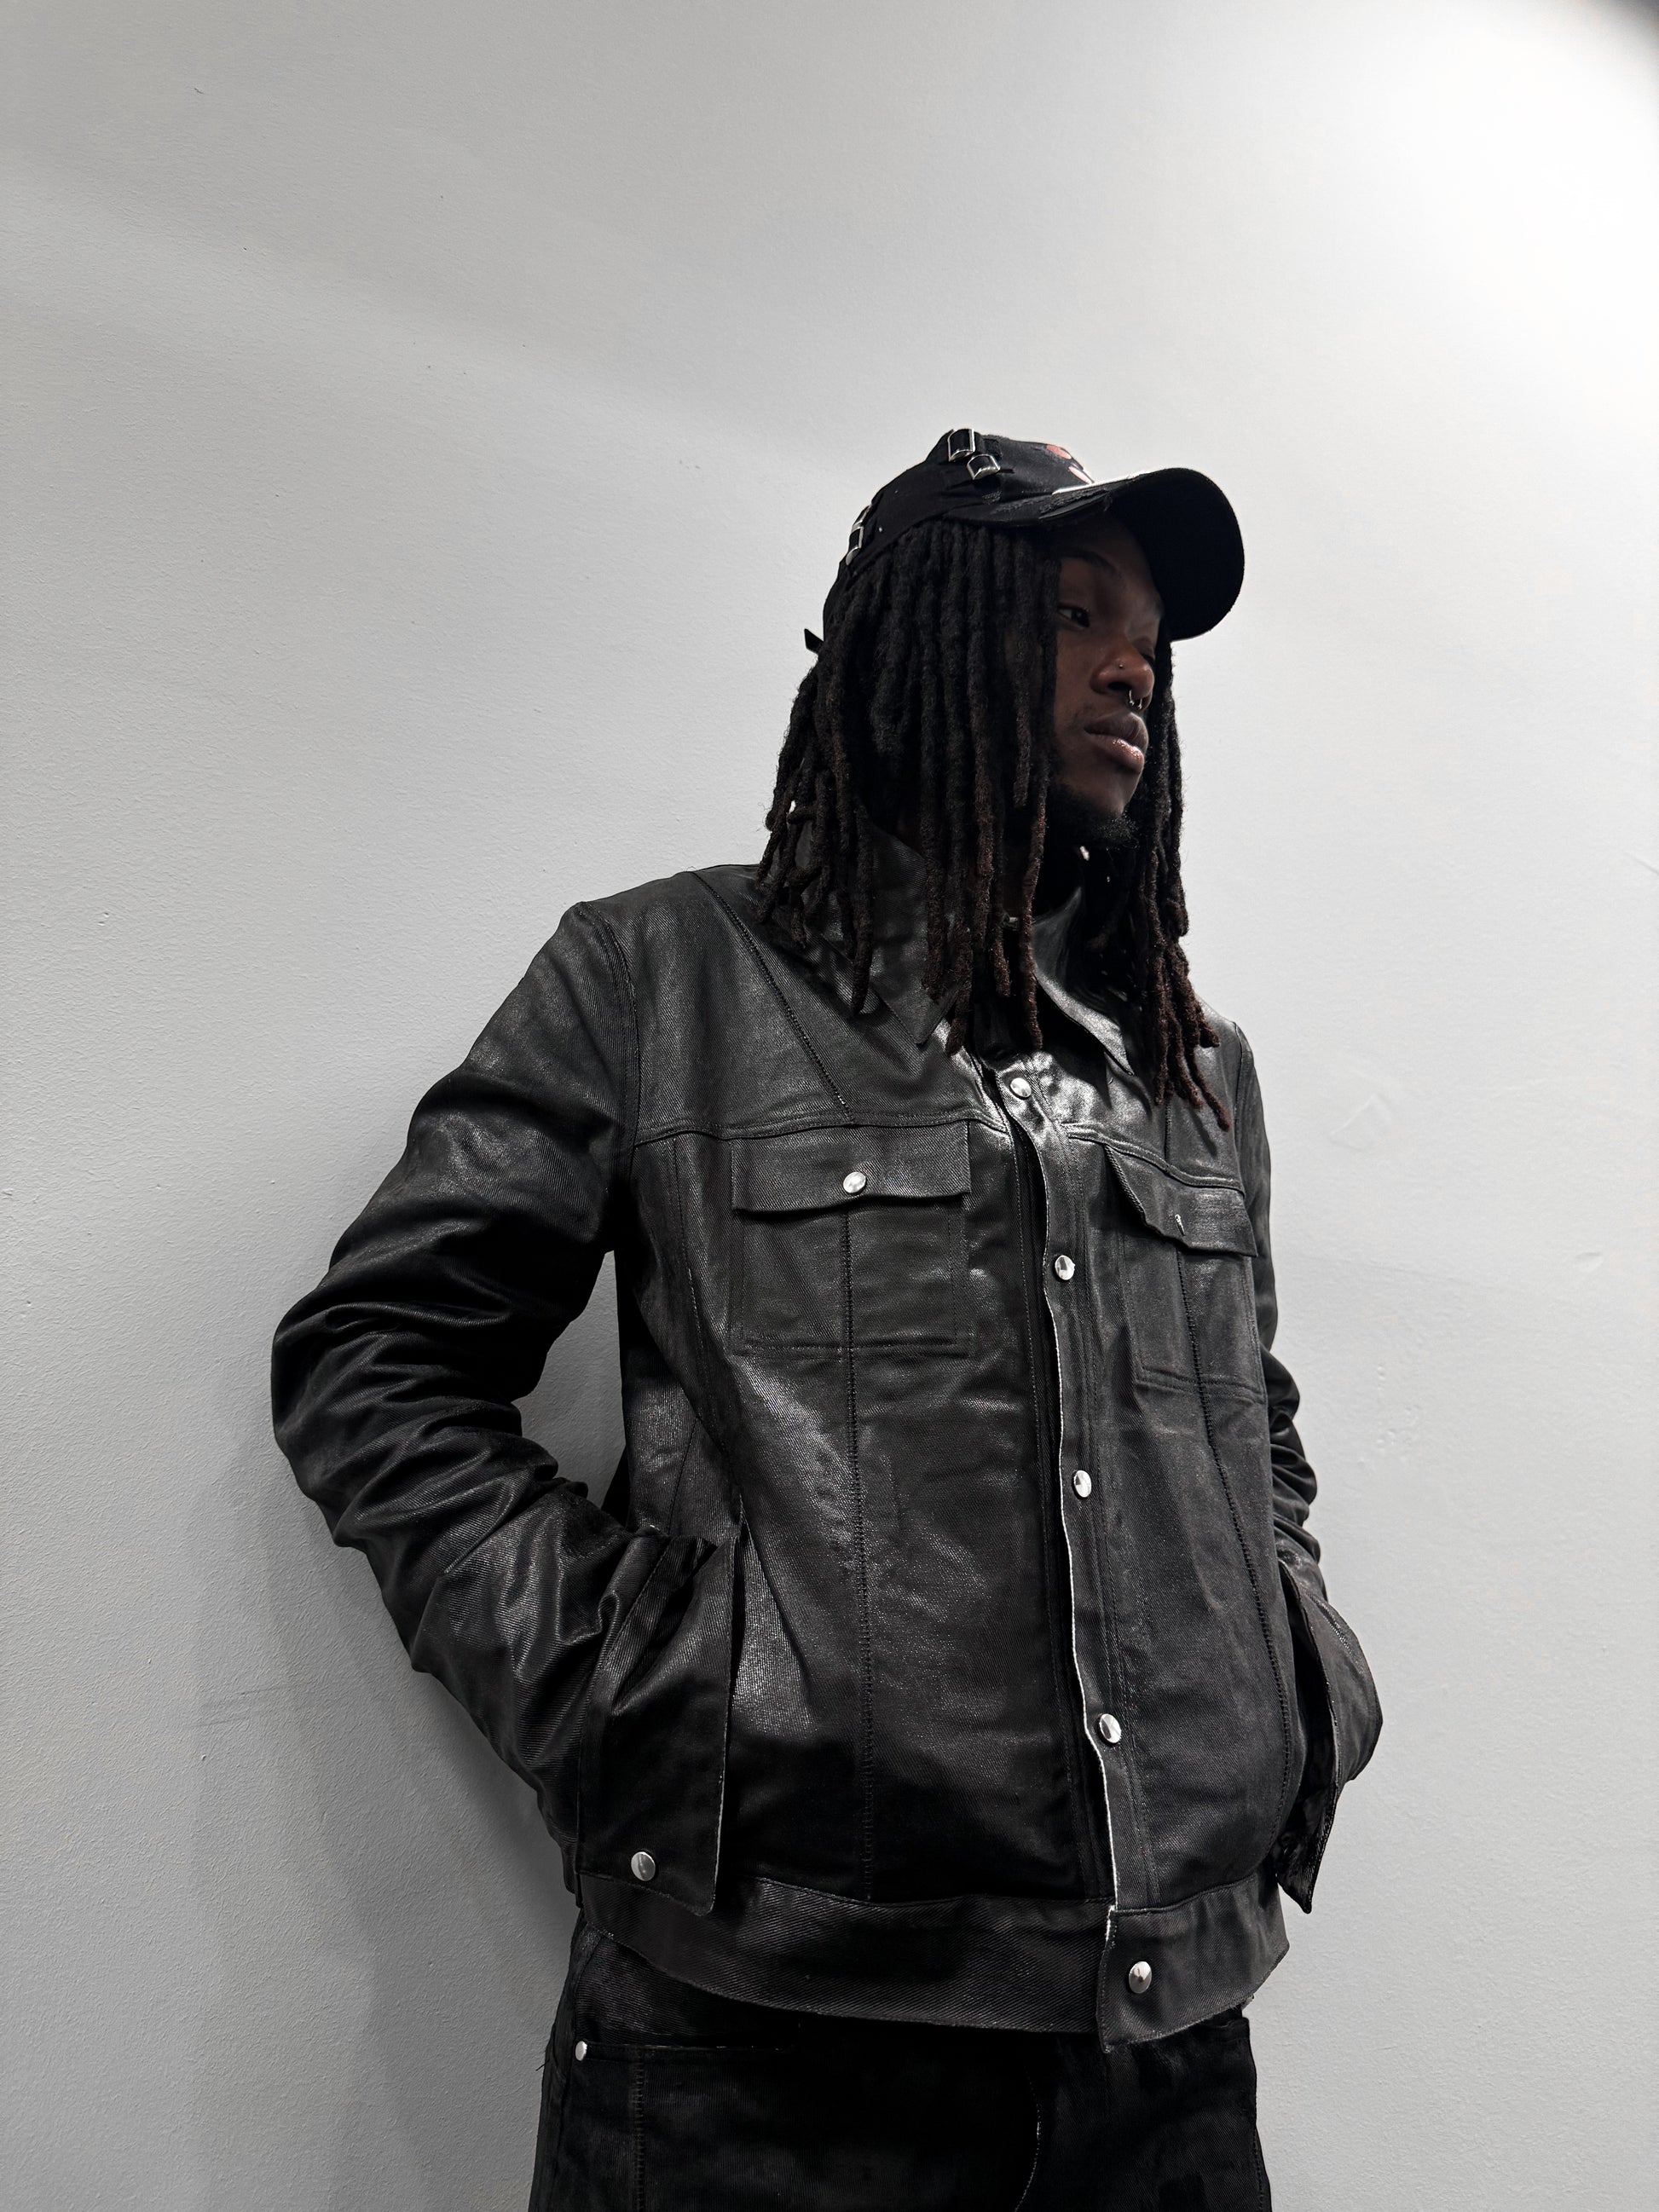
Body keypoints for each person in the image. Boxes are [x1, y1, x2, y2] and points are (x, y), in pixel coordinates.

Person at [272, 428, 1382, 2209]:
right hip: (759, 2056)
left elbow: (1251, 1418)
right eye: (1072, 615)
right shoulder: (661, 978)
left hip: (1163, 2055)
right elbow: (378, 1357)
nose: (1129, 670)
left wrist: (1296, 1664)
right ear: (912, 642)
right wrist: (637, 1698)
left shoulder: (1189, 1068)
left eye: (1148, 642)